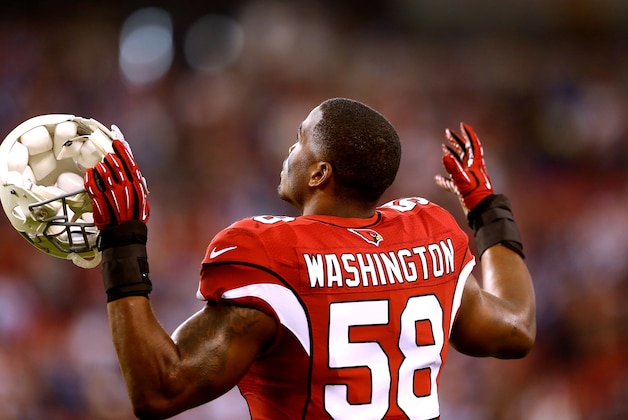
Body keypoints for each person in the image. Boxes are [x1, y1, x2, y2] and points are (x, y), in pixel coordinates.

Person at [83, 97, 536, 419]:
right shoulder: (430, 234)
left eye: (300, 140)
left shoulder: (271, 253)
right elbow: (516, 328)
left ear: (320, 172)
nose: (289, 150)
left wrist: (122, 244)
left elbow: (160, 392)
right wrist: (485, 207)